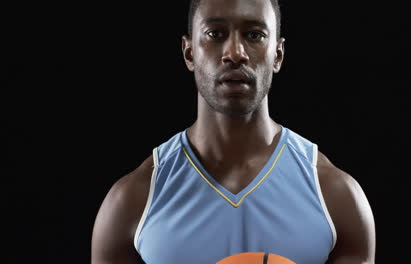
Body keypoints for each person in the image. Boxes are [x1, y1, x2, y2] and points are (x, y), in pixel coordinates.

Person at [91, 0, 376, 263]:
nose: (235, 53)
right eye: (215, 34)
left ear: (277, 54)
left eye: (254, 35)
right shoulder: (133, 200)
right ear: (189, 52)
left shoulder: (335, 195)